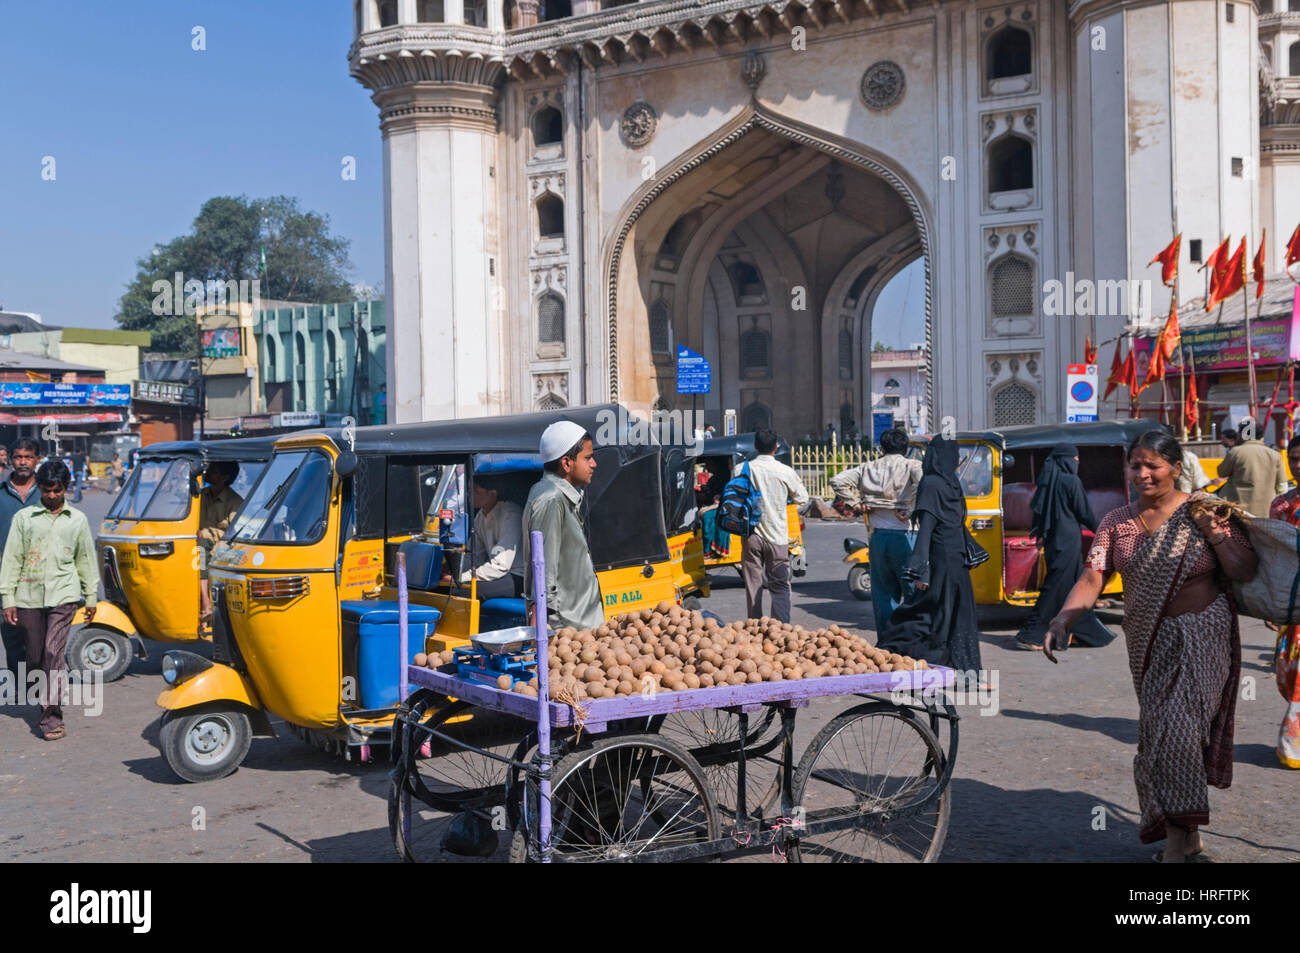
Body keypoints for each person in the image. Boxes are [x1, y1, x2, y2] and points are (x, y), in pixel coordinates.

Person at [1044, 430, 1257, 862]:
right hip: (1148, 643)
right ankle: (1190, 836)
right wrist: (1064, 617)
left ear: (1176, 468)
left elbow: (1244, 567)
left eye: (1152, 465)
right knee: (1160, 739)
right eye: (1135, 465)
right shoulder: (1116, 524)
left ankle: (1176, 849)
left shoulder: (1205, 511)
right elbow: (1093, 576)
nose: (1142, 474)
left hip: (1203, 637)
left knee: (1178, 737)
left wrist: (1212, 531)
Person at [0, 460, 100, 741]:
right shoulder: (24, 519)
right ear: (39, 488)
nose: (52, 496)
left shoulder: (77, 519)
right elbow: (12, 559)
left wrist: (90, 596)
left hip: (64, 595)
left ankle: (51, 718)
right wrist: (7, 598)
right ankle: (45, 694)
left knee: (53, 653)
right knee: (34, 657)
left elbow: (85, 560)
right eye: (46, 491)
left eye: (57, 490)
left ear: (65, 488)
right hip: (27, 595)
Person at [877, 435, 985, 672]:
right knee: (955, 612)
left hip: (944, 558)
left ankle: (906, 651)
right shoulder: (950, 482)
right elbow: (943, 523)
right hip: (955, 559)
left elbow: (926, 527)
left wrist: (920, 571)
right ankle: (966, 669)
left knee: (930, 611)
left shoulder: (933, 483)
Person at [1013, 443, 1116, 651]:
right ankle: (1031, 635)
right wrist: (1103, 530)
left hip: (1053, 541)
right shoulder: (1071, 481)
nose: (1077, 463)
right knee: (1055, 588)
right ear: (1067, 460)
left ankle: (1080, 633)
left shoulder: (1048, 480)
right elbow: (1084, 512)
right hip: (1068, 542)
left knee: (1074, 588)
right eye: (1075, 459)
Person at [829, 428, 922, 631]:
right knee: (914, 593)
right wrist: (911, 507)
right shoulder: (912, 465)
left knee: (883, 594)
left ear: (882, 449)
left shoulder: (867, 468)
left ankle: (888, 642)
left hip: (878, 538)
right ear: (906, 449)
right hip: (907, 537)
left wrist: (856, 503)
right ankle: (914, 640)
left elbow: (837, 481)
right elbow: (925, 484)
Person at [521, 421, 604, 631]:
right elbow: (544, 569)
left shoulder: (553, 493)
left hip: (582, 622)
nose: (594, 464)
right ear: (567, 464)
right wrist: (538, 636)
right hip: (569, 629)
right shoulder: (552, 499)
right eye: (587, 458)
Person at [741, 429, 810, 623]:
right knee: (779, 585)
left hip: (751, 535)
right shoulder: (784, 471)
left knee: (753, 584)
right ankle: (780, 628)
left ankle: (755, 625)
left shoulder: (742, 469)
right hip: (777, 536)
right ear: (776, 447)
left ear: (755, 446)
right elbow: (803, 499)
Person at [1267, 434, 1300, 769]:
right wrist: (1271, 603)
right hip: (1291, 603)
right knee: (1287, 673)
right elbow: (1274, 557)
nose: (1299, 465)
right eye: (1294, 458)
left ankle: (1292, 746)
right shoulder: (1281, 505)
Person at [0, 440, 41, 674]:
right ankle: (24, 686)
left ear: (37, 459)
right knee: (13, 639)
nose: (23, 462)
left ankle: (43, 686)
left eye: (28, 456)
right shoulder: (1, 493)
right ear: (10, 459)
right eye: (18, 457)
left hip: (42, 578)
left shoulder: (48, 494)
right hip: (7, 580)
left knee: (41, 637)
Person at [451, 475, 524, 599]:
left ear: (492, 494)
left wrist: (460, 578)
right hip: (498, 574)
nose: (469, 494)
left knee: (459, 592)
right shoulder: (480, 516)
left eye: (475, 491)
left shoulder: (511, 515)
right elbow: (473, 556)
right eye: (468, 490)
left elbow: (500, 566)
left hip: (517, 578)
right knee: (447, 588)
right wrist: (454, 572)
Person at [197, 461, 244, 625]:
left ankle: (206, 607)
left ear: (225, 478)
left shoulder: (235, 502)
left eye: (213, 471)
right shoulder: (201, 496)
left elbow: (234, 534)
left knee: (200, 553)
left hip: (220, 546)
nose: (208, 473)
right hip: (199, 541)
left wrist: (208, 539)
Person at [1216, 426, 1287, 517]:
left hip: (1237, 511)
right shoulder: (1275, 454)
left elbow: (1222, 472)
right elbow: (1282, 486)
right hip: (1266, 511)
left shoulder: (1236, 452)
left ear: (1242, 435)